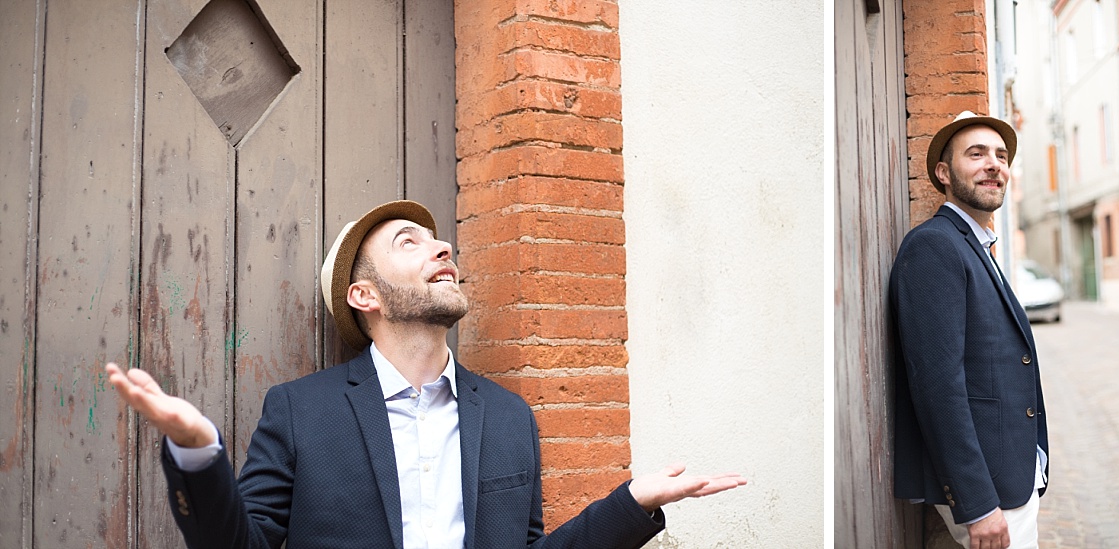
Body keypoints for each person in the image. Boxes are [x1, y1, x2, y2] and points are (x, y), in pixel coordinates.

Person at [107, 200, 745, 549]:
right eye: (408, 243)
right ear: (365, 296)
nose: (442, 248)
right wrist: (197, 454)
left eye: (437, 241)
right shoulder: (301, 410)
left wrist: (629, 505)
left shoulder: (508, 416)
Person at [890, 111, 1048, 549]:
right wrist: (977, 503)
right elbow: (938, 385)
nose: (993, 164)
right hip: (989, 487)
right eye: (975, 154)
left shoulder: (974, 245)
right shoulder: (934, 246)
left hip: (1011, 473)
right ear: (944, 173)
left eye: (1000, 155)